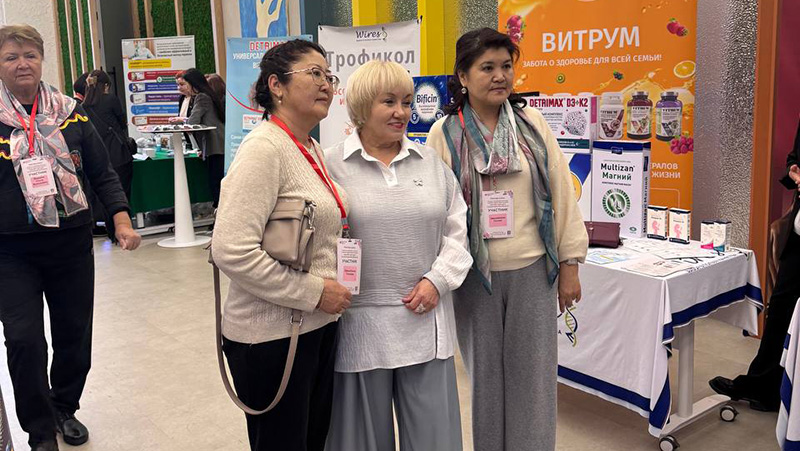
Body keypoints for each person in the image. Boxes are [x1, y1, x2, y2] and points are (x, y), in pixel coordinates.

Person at [426, 28, 589, 451]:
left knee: (533, 381)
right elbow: (435, 209)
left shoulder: (532, 125)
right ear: (463, 77)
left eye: (506, 66)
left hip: (533, 270)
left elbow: (561, 192)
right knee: (485, 381)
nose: (500, 76)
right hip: (473, 275)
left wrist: (570, 263)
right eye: (487, 68)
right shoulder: (444, 134)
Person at [0, 24, 141, 451]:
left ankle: (64, 406)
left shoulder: (71, 112)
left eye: (30, 55)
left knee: (74, 334)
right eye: (10, 57)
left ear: (42, 60)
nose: (22, 63)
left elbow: (102, 171)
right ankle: (40, 431)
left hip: (70, 244)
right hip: (10, 250)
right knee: (24, 340)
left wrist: (121, 220)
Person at [324, 60, 472, 451]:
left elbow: (458, 231)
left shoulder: (430, 163)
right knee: (359, 441)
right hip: (357, 326)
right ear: (361, 106)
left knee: (434, 440)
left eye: (407, 102)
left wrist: (438, 280)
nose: (401, 112)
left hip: (425, 320)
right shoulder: (329, 165)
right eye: (388, 101)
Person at [211, 39, 351, 451]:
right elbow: (231, 249)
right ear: (276, 85)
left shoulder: (309, 147)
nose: (326, 84)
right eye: (314, 73)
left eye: (329, 76)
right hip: (269, 337)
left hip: (314, 327)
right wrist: (314, 292)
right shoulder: (264, 149)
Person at [710, 118, 800, 412]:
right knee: (780, 312)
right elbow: (794, 157)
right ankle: (763, 388)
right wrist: (793, 170)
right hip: (798, 238)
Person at [82, 69, 134, 243]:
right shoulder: (111, 100)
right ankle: (124, 230)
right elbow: (122, 123)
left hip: (98, 156)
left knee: (106, 195)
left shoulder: (83, 106)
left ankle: (112, 233)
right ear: (105, 85)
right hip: (119, 153)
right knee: (122, 192)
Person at [172, 68, 225, 208]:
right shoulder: (207, 95)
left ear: (193, 83)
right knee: (217, 180)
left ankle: (219, 212)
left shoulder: (201, 97)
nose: (184, 88)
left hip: (215, 145)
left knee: (216, 182)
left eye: (185, 84)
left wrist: (181, 121)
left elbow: (192, 122)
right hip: (216, 144)